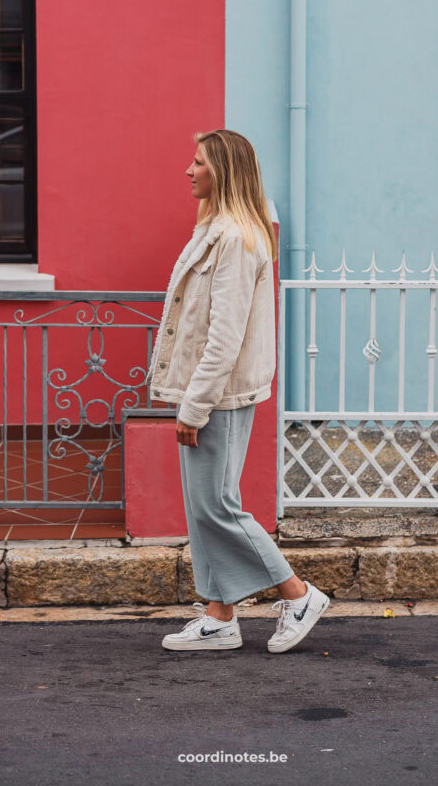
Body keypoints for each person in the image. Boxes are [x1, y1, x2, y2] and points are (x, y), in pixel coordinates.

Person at [145, 129, 329, 653]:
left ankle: (298, 595)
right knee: (204, 506)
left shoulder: (235, 238)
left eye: (198, 162)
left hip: (217, 397)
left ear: (220, 171)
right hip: (209, 394)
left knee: (217, 507)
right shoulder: (219, 230)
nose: (188, 170)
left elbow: (224, 336)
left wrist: (194, 406)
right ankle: (219, 616)